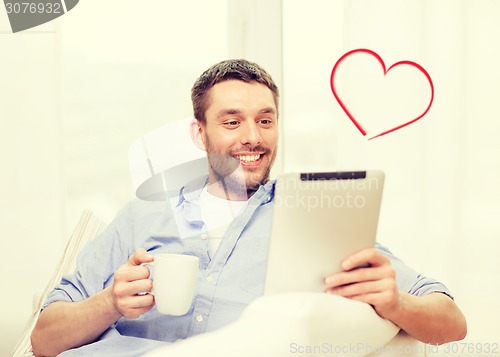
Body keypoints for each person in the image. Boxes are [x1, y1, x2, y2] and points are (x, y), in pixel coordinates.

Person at [31, 59, 466, 357]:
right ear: (200, 134)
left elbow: (451, 322)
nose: (252, 137)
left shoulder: (313, 217)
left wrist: (395, 303)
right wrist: (109, 302)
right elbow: (44, 338)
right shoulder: (140, 216)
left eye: (265, 119)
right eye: (232, 121)